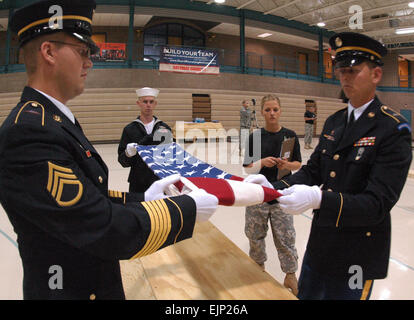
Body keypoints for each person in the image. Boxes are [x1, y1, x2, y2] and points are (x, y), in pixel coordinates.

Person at [0, 0, 218, 300]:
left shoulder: (55, 120)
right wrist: (186, 209)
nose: (89, 62)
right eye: (83, 51)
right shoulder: (29, 131)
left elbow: (88, 197)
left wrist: (144, 199)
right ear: (49, 52)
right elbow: (102, 228)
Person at [245, 32, 412, 300]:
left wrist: (319, 198)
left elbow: (377, 204)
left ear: (376, 75)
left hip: (358, 253)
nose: (345, 77)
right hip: (321, 244)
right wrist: (272, 187)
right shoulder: (335, 122)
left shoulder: (392, 129)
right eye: (341, 70)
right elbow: (314, 171)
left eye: (353, 71)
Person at [243, 94, 301, 296]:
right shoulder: (255, 137)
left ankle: (290, 275)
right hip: (257, 195)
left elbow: (298, 164)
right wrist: (261, 162)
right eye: (267, 110)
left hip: (282, 194)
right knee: (255, 236)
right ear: (262, 112)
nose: (272, 113)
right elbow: (248, 168)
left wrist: (287, 165)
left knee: (285, 237)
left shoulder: (290, 136)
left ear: (280, 110)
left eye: (275, 109)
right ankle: (257, 270)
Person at [118, 87, 173, 192]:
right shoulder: (129, 129)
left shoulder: (164, 128)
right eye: (145, 101)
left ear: (155, 104)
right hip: (137, 182)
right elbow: (122, 161)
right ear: (138, 103)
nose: (148, 105)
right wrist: (128, 153)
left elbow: (170, 159)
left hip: (159, 181)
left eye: (151, 102)